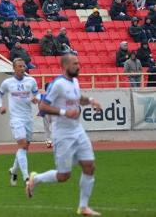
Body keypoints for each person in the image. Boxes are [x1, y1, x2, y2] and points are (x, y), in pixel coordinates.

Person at [26, 55, 102, 217]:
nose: (79, 66)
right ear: (65, 65)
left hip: (78, 130)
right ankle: (36, 178)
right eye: (75, 64)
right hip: (63, 134)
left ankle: (83, 207)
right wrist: (64, 112)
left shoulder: (74, 81)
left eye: (79, 63)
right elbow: (43, 105)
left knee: (89, 166)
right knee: (63, 176)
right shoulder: (58, 84)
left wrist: (91, 100)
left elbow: (77, 99)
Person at [0, 58, 39, 186]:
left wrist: (36, 99)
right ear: (14, 68)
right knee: (22, 144)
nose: (22, 68)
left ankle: (13, 170)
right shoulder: (7, 82)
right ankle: (26, 177)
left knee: (24, 147)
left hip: (28, 118)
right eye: (19, 66)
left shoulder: (31, 81)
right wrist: (0, 106)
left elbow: (37, 95)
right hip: (16, 119)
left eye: (23, 66)